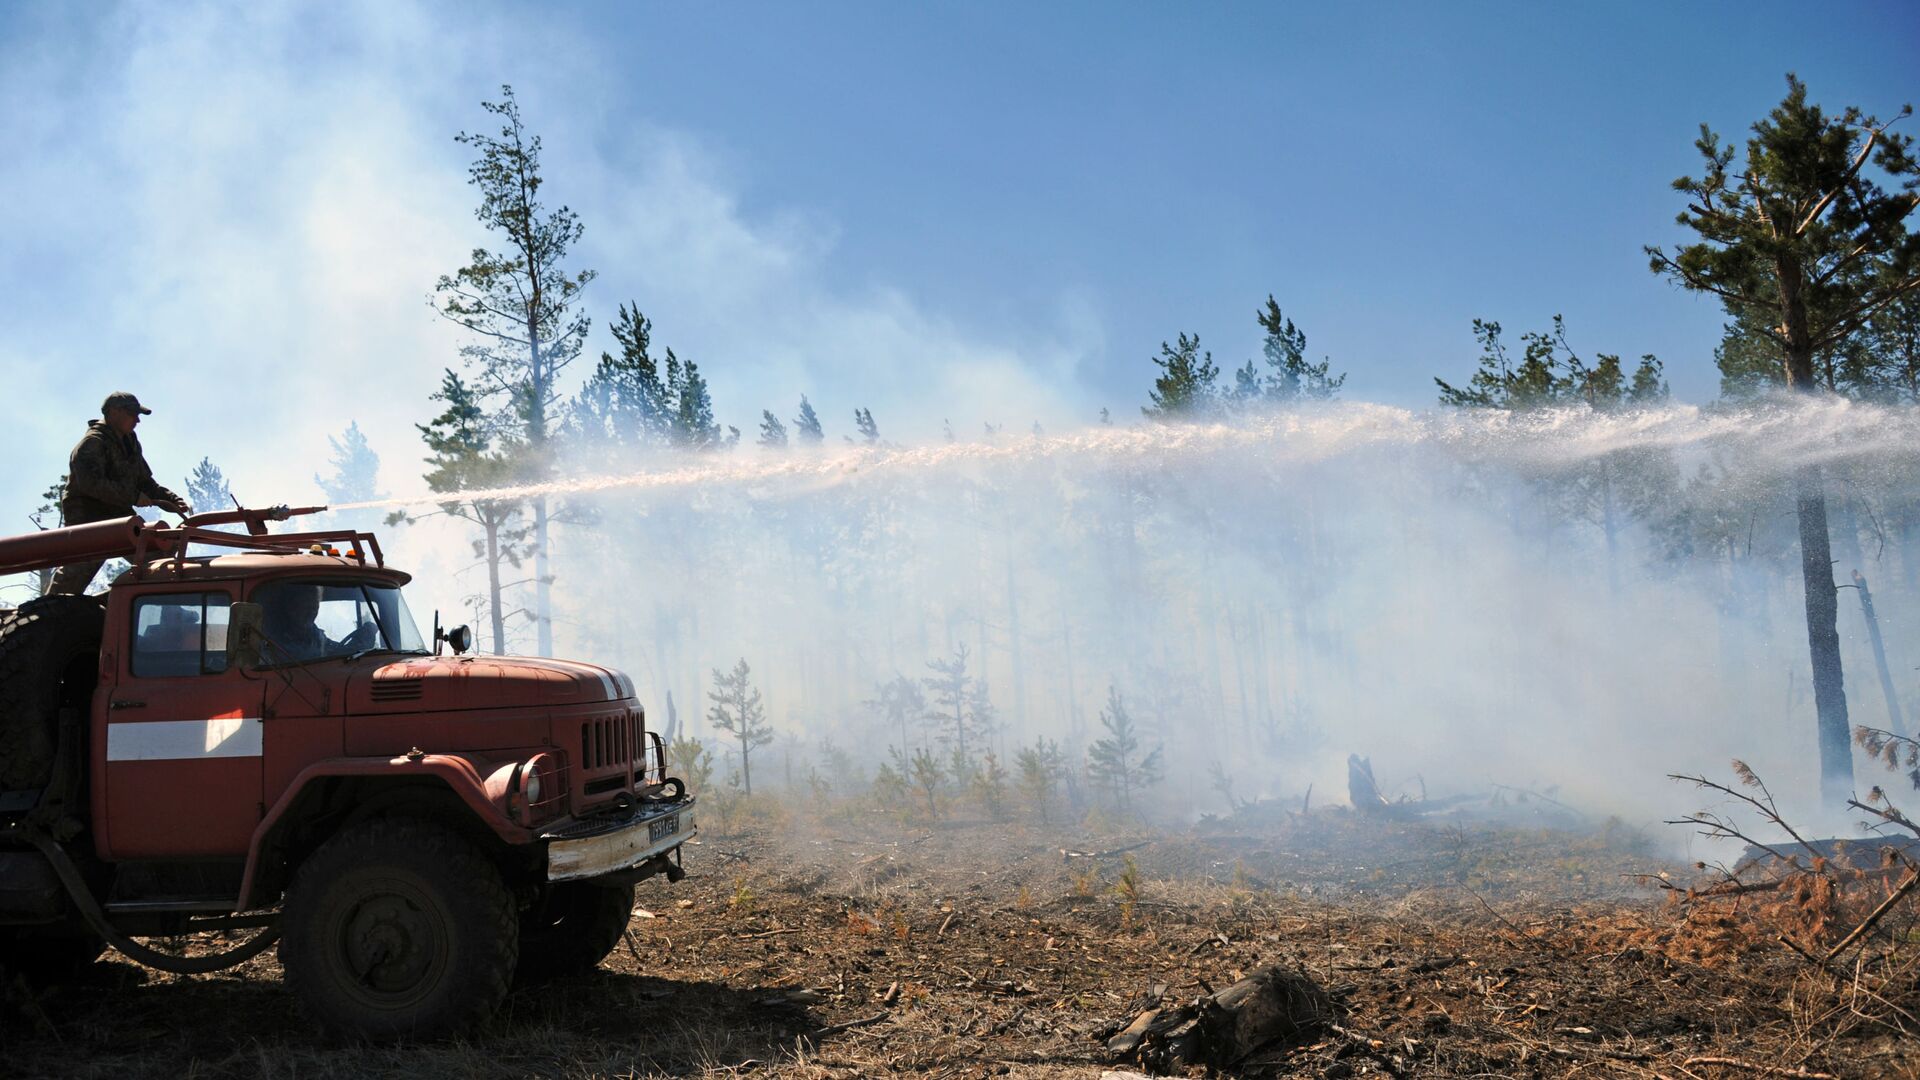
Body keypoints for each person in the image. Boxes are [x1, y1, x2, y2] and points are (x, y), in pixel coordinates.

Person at [49, 392, 191, 595]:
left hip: (118, 514)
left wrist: (171, 500)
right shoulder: (92, 443)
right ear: (114, 412)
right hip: (89, 517)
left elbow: (145, 482)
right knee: (77, 572)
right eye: (132, 414)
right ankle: (45, 611)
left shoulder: (129, 442)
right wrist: (133, 497)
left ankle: (167, 604)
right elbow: (91, 484)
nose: (137, 420)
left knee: (155, 559)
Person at [257, 583, 376, 664]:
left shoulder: (316, 636)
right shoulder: (273, 639)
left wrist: (364, 637)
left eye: (314, 608)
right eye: (305, 608)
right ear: (291, 608)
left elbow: (339, 653)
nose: (311, 613)